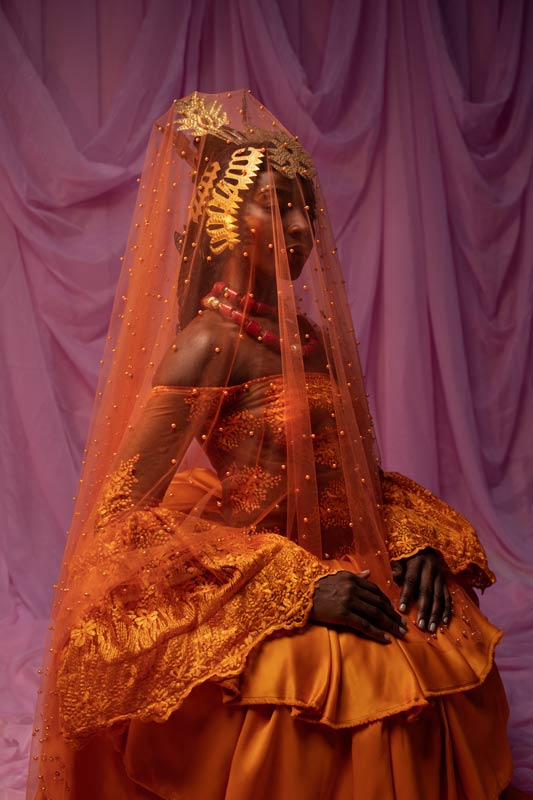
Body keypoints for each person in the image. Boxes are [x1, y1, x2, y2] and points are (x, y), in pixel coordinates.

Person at [28, 91, 512, 799]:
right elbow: (120, 518)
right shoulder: (206, 345)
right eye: (276, 206)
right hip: (260, 561)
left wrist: (410, 542)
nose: (300, 227)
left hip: (347, 551)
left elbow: (351, 475)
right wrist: (295, 589)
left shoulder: (308, 341)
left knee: (432, 651)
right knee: (350, 690)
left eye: (306, 207)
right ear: (225, 220)